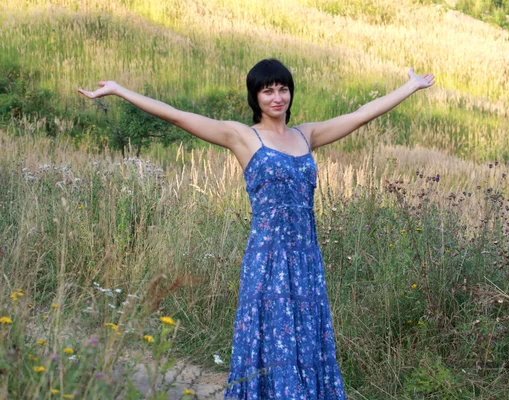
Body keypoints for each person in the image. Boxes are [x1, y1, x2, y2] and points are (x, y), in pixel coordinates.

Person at [78, 58, 434, 399]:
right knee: (270, 340)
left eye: (283, 89)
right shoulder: (242, 137)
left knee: (307, 340)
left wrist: (410, 86)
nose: (277, 97)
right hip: (267, 261)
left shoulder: (306, 135)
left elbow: (360, 115)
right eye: (268, 91)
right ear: (256, 97)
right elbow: (177, 116)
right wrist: (120, 90)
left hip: (307, 260)